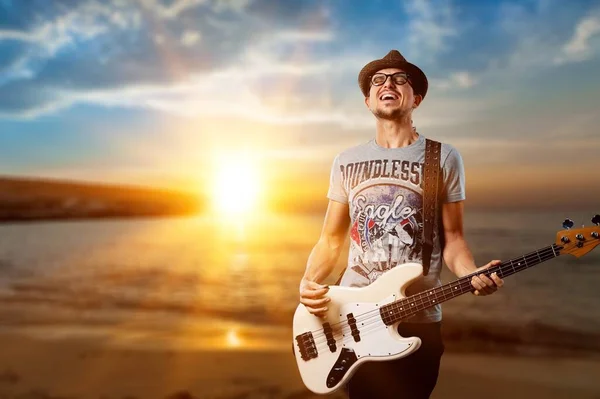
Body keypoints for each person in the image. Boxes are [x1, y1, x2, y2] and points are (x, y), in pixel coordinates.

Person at [298, 50, 505, 399]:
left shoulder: (444, 157)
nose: (388, 84)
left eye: (399, 78)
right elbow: (331, 241)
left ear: (416, 98)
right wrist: (309, 282)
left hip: (419, 319)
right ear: (368, 101)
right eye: (378, 80)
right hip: (354, 318)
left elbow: (453, 240)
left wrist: (472, 274)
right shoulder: (346, 161)